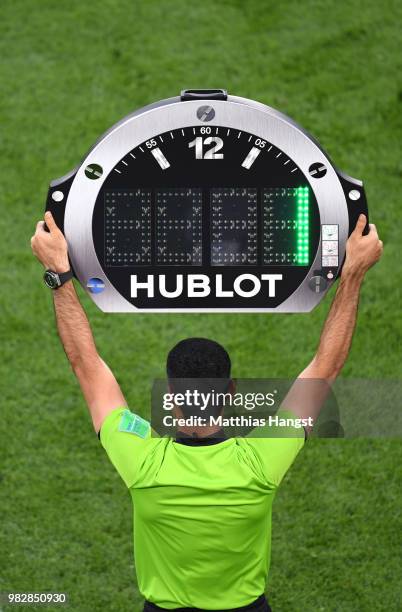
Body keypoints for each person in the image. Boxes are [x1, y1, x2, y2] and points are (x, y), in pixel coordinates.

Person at [31, 212, 382, 612]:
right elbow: (326, 367)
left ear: (171, 398)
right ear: (231, 392)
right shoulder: (259, 463)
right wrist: (352, 273)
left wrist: (58, 273)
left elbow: (85, 364)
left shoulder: (144, 463)